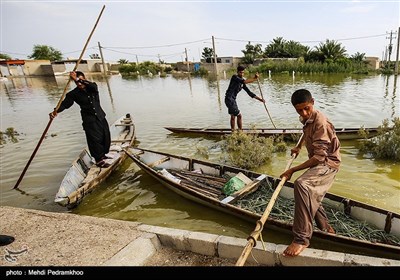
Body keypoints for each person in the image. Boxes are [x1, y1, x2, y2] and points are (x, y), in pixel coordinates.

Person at [280, 89, 341, 257]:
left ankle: (301, 239)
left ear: (313, 102)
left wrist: (292, 169)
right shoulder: (306, 118)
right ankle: (326, 228)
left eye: (306, 108)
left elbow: (320, 157)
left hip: (328, 163)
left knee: (302, 184)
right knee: (311, 192)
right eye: (299, 110)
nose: (304, 113)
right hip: (319, 161)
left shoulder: (321, 122)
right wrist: (298, 146)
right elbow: (306, 130)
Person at [50, 71, 111, 168]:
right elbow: (66, 104)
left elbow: (93, 86)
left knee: (105, 136)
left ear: (84, 79)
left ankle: (103, 154)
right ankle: (99, 160)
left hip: (101, 117)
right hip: (89, 120)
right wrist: (55, 111)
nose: (79, 84)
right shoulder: (74, 94)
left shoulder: (92, 87)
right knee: (95, 140)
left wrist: (78, 79)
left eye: (80, 81)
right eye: (76, 82)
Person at [224, 65, 265, 131]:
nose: (242, 74)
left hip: (233, 100)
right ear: (237, 72)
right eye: (240, 72)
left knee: (233, 116)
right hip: (229, 99)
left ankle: (233, 131)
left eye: (243, 72)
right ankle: (240, 131)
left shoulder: (242, 83)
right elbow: (244, 81)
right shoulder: (235, 77)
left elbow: (250, 93)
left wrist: (260, 99)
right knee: (239, 115)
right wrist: (254, 78)